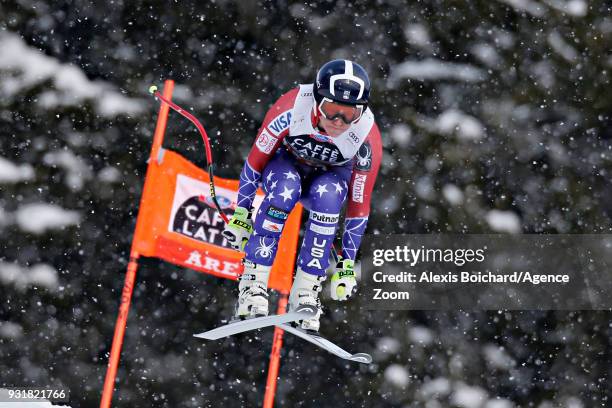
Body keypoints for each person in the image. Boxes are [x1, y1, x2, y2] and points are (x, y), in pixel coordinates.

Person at [222, 59, 382, 332]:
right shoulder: (292, 108)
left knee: (330, 198)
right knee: (286, 190)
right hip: (286, 166)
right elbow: (255, 162)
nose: (338, 122)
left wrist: (345, 264)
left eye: (349, 114)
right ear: (317, 101)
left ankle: (306, 293)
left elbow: (358, 205)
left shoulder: (366, 137)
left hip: (328, 178)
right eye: (331, 110)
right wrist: (241, 213)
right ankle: (253, 284)